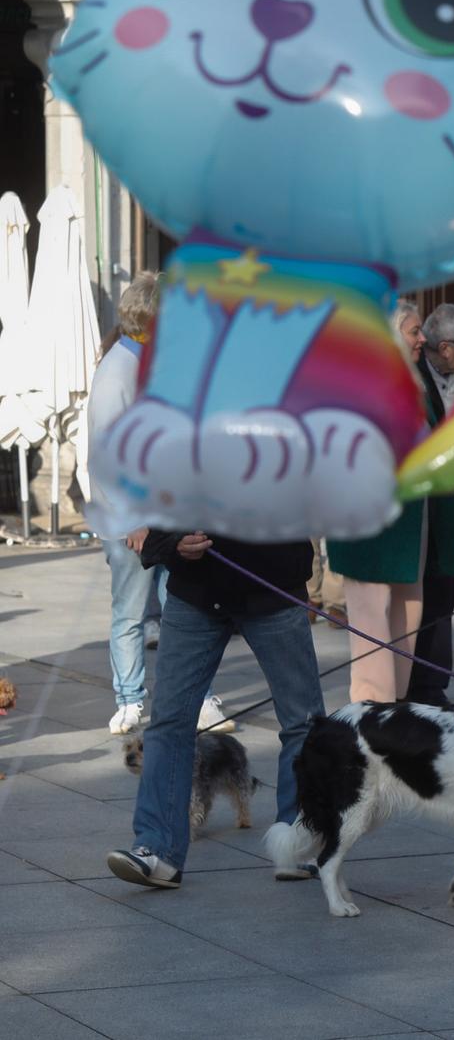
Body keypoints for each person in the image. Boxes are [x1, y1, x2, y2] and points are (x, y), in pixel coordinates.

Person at [105, 528, 325, 890]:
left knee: (303, 720)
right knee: (168, 723)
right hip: (195, 591)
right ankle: (157, 850)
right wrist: (170, 543)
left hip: (273, 587)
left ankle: (299, 845)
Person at [88, 274, 230, 736]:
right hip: (134, 520)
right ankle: (130, 698)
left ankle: (195, 695)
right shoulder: (119, 370)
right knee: (131, 610)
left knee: (185, 608)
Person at [326, 317, 454, 708]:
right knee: (372, 621)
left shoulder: (412, 383)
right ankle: (373, 709)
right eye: (412, 329)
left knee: (408, 615)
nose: (423, 338)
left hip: (411, 527)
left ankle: (399, 706)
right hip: (370, 529)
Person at [403, 304, 454, 704]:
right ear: (446, 348)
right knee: (420, 598)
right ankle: (412, 687)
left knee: (445, 594)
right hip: (422, 508)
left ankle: (432, 685)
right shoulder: (411, 378)